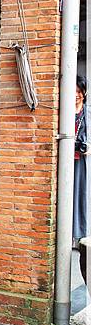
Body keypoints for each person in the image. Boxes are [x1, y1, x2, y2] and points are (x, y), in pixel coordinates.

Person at [74, 75, 89, 285]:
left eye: (79, 92)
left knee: (84, 201)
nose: (76, 96)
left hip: (85, 167)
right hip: (67, 166)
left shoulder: (88, 113)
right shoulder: (62, 112)